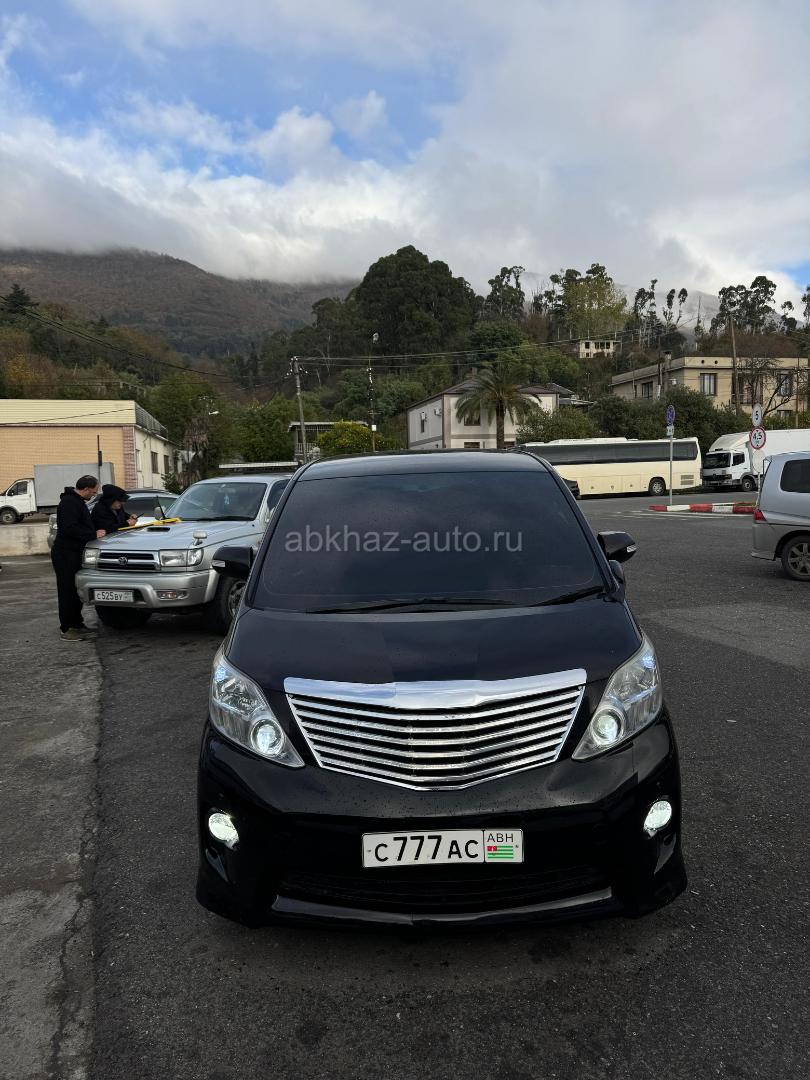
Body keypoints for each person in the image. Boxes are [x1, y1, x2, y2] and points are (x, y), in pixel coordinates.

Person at [51, 475, 105, 642]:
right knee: (67, 591)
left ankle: (77, 624)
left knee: (75, 592)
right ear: (86, 489)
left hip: (74, 553)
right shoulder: (69, 503)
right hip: (65, 554)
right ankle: (68, 629)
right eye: (93, 492)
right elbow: (70, 528)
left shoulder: (77, 502)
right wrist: (92, 534)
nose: (94, 495)